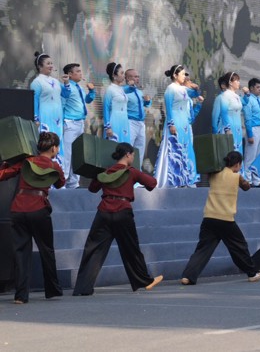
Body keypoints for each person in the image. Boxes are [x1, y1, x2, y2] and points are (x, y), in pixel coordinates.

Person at [73, 143, 164, 295]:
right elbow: (152, 183)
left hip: (103, 212)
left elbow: (92, 188)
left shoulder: (106, 171)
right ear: (128, 154)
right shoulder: (131, 172)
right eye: (133, 155)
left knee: (93, 249)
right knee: (131, 248)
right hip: (123, 211)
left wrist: (99, 172)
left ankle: (83, 288)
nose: (133, 158)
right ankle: (144, 281)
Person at [180, 151, 260, 284]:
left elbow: (209, 173)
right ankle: (252, 273)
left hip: (209, 217)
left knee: (203, 249)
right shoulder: (237, 177)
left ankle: (188, 276)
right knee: (239, 247)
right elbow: (247, 187)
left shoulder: (214, 175)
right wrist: (243, 180)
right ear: (237, 164)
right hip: (226, 220)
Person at [0, 131, 65, 304]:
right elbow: (61, 183)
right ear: (53, 148)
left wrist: (6, 163)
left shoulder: (25, 161)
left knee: (21, 252)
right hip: (39, 209)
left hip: (18, 209)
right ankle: (52, 290)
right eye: (58, 148)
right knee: (46, 250)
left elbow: (3, 175)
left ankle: (21, 296)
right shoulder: (54, 165)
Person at [155, 64, 202, 188]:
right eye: (182, 74)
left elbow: (195, 94)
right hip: (175, 122)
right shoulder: (170, 89)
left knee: (186, 148)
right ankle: (172, 180)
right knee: (174, 149)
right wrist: (171, 124)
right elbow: (169, 109)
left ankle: (187, 178)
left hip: (184, 123)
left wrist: (196, 88)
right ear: (175, 75)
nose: (184, 77)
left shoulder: (183, 89)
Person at [60, 62, 96, 188]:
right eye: (78, 71)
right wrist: (66, 83)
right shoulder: (66, 86)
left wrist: (91, 91)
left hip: (79, 123)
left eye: (81, 71)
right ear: (70, 74)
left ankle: (74, 182)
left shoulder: (79, 87)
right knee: (67, 153)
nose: (81, 73)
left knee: (77, 153)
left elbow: (87, 100)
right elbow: (65, 95)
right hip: (70, 123)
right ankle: (62, 181)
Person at [31, 51, 64, 140]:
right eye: (48, 63)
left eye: (51, 63)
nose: (51, 66)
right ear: (40, 66)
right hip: (45, 116)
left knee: (58, 140)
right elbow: (34, 101)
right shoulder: (37, 82)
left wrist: (67, 83)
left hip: (58, 116)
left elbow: (66, 94)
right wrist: (36, 119)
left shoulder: (56, 81)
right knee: (47, 140)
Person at [242, 78, 260, 186]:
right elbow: (248, 118)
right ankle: (247, 180)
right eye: (258, 87)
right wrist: (250, 134)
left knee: (259, 156)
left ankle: (256, 180)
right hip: (253, 128)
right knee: (250, 156)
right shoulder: (249, 100)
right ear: (251, 88)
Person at [212, 72, 245, 154]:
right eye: (236, 80)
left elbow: (245, 103)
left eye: (239, 80)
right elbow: (224, 113)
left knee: (238, 152)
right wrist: (227, 129)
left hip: (237, 128)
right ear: (230, 82)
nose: (239, 83)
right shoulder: (225, 96)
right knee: (229, 152)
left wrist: (247, 94)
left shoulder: (237, 96)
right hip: (229, 128)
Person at [124, 69, 151, 162]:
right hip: (130, 122)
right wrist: (130, 86)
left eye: (138, 76)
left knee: (140, 149)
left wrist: (147, 101)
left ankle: (137, 171)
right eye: (135, 76)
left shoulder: (139, 92)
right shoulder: (124, 90)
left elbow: (145, 105)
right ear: (127, 78)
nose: (137, 78)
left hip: (141, 123)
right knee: (128, 148)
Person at [102, 61, 130, 144]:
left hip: (124, 119)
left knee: (124, 145)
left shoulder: (121, 89)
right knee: (114, 145)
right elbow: (106, 109)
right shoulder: (110, 89)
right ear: (114, 76)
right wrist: (108, 127)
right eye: (121, 73)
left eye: (123, 73)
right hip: (114, 119)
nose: (124, 76)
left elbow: (131, 88)